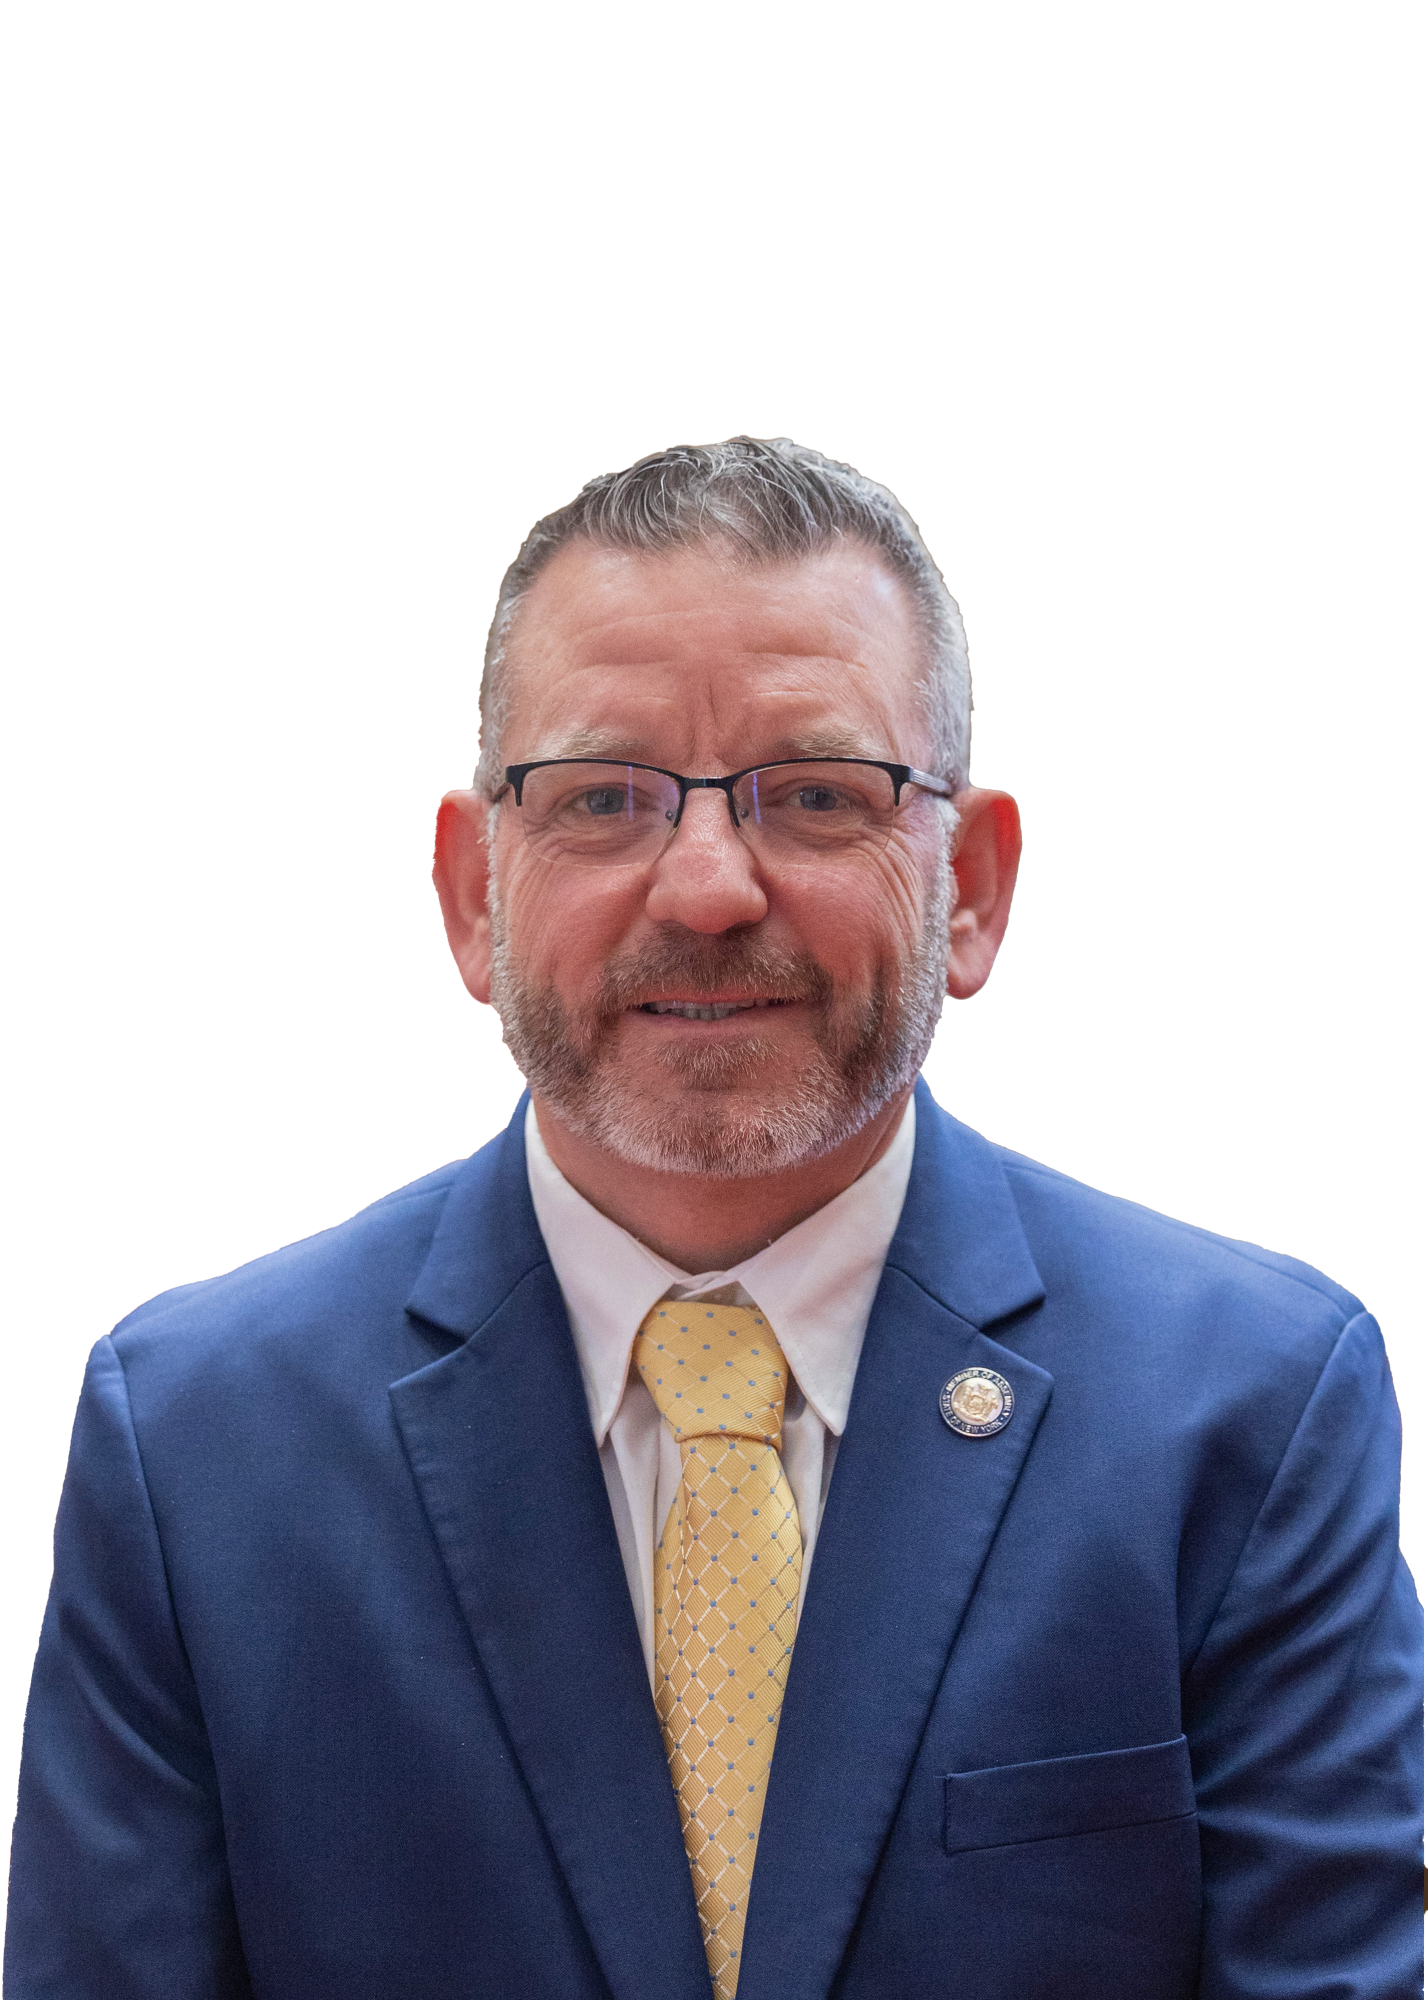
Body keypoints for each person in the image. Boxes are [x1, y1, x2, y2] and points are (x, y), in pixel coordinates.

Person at [7, 438, 1421, 1999]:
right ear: (472, 894)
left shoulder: (1250, 1403)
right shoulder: (194, 1441)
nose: (703, 888)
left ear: (970, 888)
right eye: (600, 798)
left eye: (815, 796)